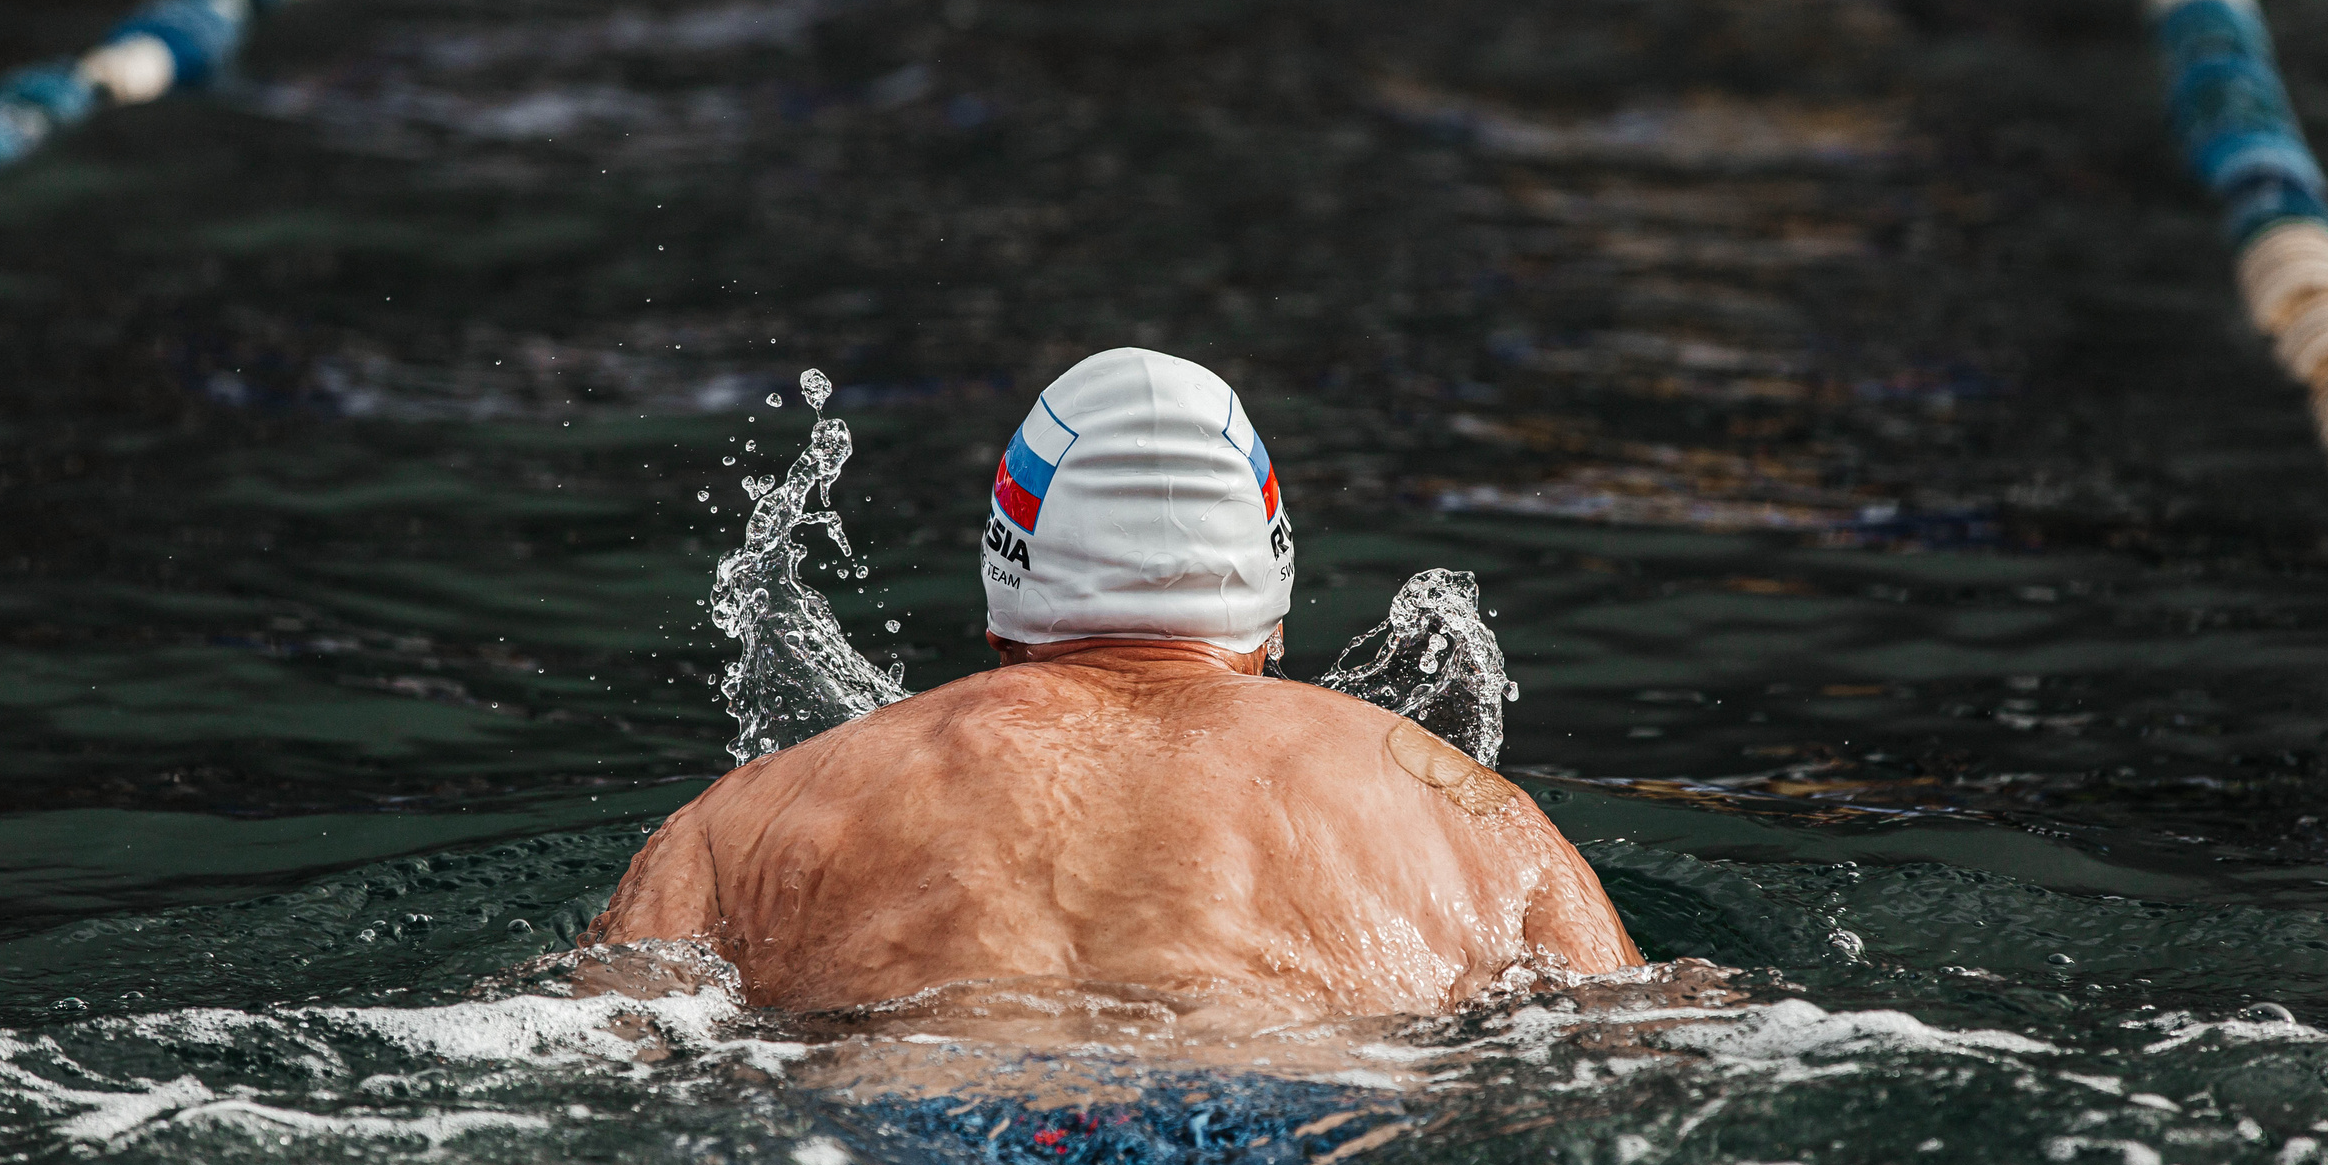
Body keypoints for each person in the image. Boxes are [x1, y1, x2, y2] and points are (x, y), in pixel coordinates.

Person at [584, 347, 1640, 1014]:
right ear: (1271, 609)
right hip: (1271, 1127)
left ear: (1004, 600)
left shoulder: (757, 818)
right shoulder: (1475, 823)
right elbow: (1645, 1045)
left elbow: (604, 1033)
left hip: (924, 1130)